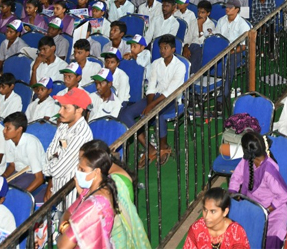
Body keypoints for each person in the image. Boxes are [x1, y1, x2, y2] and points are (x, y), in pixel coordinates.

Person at [119, 34, 186, 167]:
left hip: (172, 100)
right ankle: (149, 147)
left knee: (157, 113)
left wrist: (152, 106)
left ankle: (163, 146)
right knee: (125, 114)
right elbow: (151, 86)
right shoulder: (156, 63)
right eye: (161, 48)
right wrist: (149, 104)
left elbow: (170, 91)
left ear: (173, 49)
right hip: (154, 97)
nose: (162, 51)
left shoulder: (180, 66)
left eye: (166, 48)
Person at [229, 131, 287, 249]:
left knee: (272, 237)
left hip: (273, 211)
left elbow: (283, 196)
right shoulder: (246, 160)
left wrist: (265, 211)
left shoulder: (269, 170)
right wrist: (232, 192)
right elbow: (236, 177)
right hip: (253, 206)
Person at [56, 147, 118, 249]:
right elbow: (68, 211)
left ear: (96, 172)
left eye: (82, 169)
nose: (78, 172)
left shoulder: (93, 205)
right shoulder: (96, 189)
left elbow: (63, 245)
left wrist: (63, 228)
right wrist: (68, 227)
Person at [43, 88, 93, 206]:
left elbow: (58, 170)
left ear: (79, 110)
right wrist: (56, 157)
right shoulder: (64, 127)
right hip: (56, 189)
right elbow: (50, 152)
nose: (60, 111)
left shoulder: (81, 136)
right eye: (61, 107)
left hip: (70, 198)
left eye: (65, 108)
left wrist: (51, 163)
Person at [183, 188, 250, 249]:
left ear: (225, 212)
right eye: (205, 210)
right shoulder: (197, 228)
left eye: (213, 211)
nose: (207, 216)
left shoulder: (236, 233)